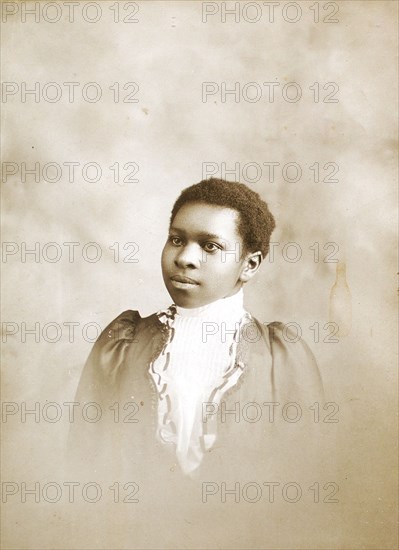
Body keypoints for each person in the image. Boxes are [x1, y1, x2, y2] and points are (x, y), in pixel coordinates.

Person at [70, 178, 323, 484]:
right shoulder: (123, 343)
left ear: (250, 265)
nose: (185, 259)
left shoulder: (279, 357)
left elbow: (307, 473)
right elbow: (85, 461)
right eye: (176, 240)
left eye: (210, 246)